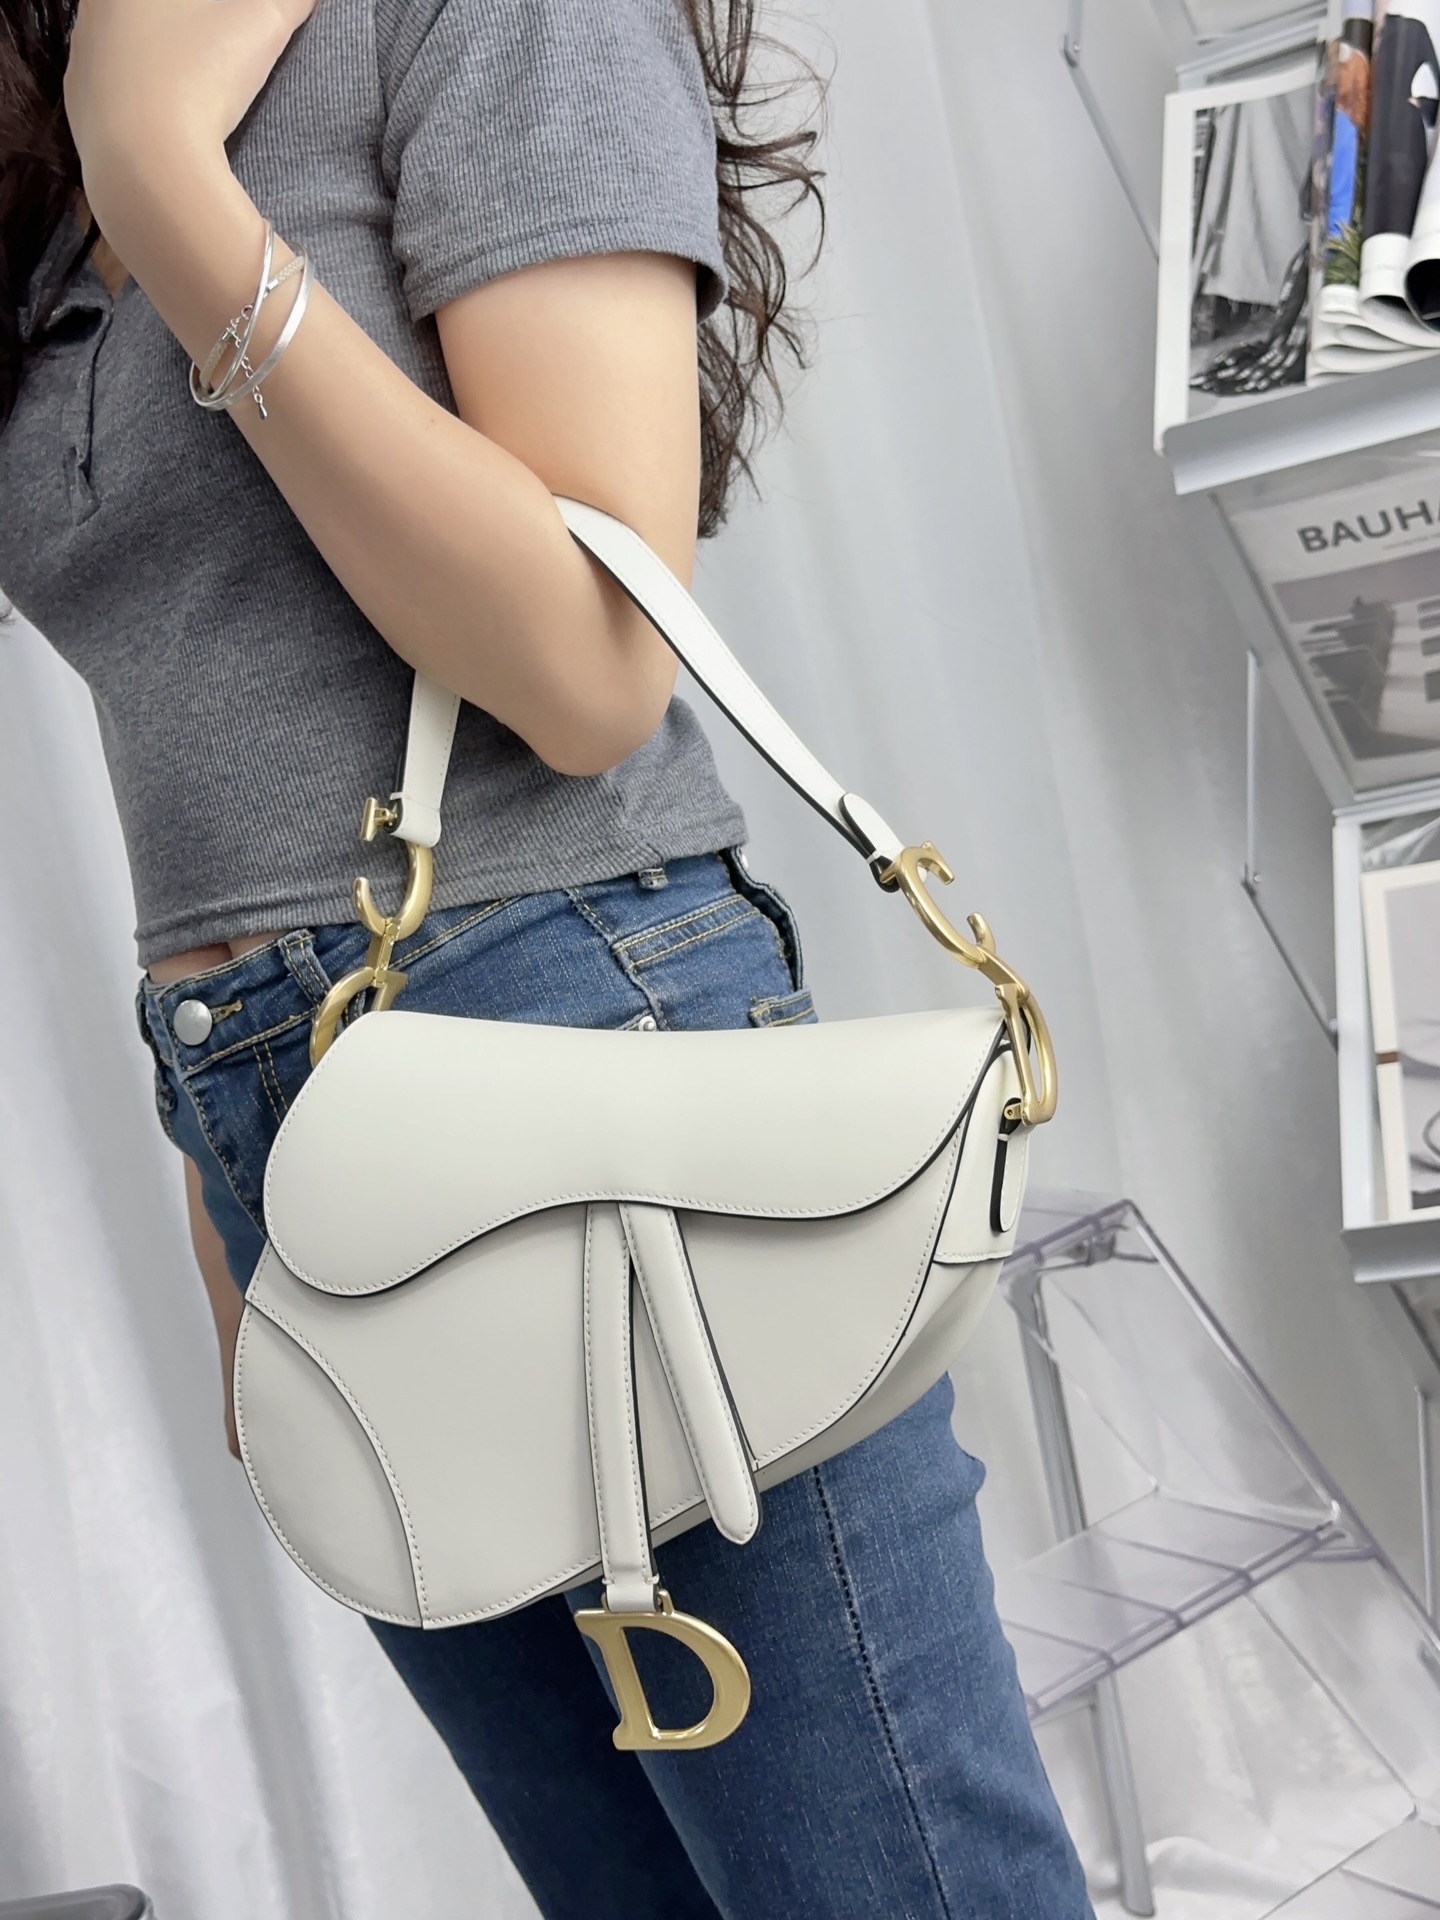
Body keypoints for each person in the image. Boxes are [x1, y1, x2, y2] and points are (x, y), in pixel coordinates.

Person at [0, 0, 1094, 1912]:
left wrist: (157, 171)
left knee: (891, 1884)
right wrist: (224, 1148)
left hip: (581, 1054)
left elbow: (591, 670)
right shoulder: (67, 82)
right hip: (294, 1142)